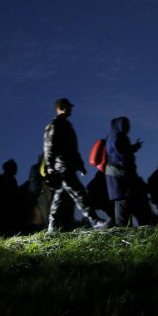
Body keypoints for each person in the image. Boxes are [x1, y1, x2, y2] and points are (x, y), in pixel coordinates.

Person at [43, 98, 110, 232]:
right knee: (80, 194)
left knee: (59, 198)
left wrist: (80, 165)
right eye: (69, 107)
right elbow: (49, 147)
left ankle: (52, 227)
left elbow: (73, 149)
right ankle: (95, 221)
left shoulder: (66, 126)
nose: (71, 110)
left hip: (67, 166)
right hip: (62, 167)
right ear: (61, 108)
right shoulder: (55, 125)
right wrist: (50, 165)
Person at [105, 117, 154, 227]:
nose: (128, 128)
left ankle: (132, 229)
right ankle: (125, 232)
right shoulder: (116, 136)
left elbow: (122, 151)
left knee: (129, 202)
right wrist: (130, 152)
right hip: (120, 176)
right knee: (124, 203)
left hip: (122, 176)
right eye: (126, 125)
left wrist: (134, 148)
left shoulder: (118, 136)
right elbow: (121, 152)